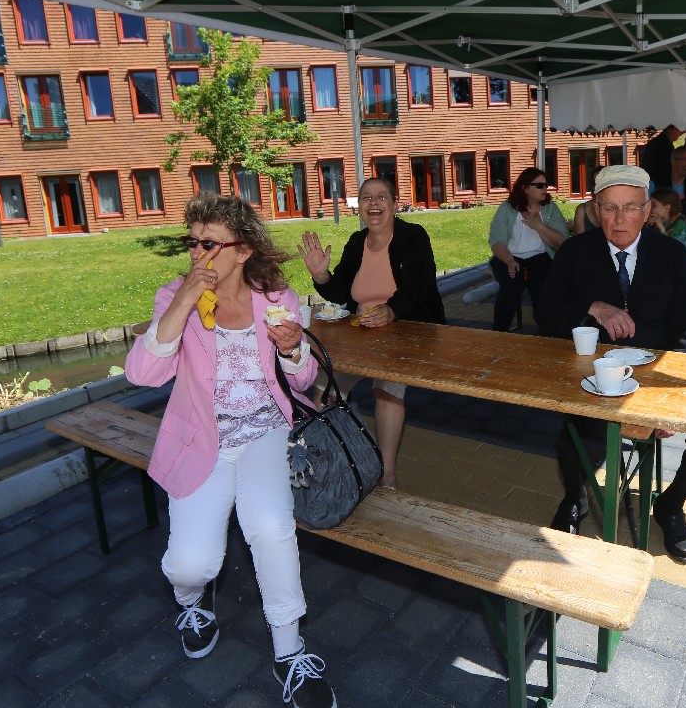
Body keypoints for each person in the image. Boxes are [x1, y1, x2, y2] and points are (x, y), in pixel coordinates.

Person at [125, 193, 336, 707]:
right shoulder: (174, 296)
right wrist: (183, 299)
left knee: (270, 526)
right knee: (190, 565)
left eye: (211, 244)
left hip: (266, 432)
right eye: (193, 242)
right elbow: (142, 374)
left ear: (243, 251)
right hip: (203, 440)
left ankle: (289, 650)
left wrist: (292, 348)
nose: (198, 253)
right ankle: (191, 602)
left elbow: (303, 381)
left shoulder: (276, 296)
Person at [535, 165, 686, 565]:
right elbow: (547, 315)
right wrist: (592, 307)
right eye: (609, 208)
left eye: (630, 207)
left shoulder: (672, 256)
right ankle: (575, 498)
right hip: (595, 373)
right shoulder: (575, 252)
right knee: (578, 434)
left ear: (647, 211)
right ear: (595, 210)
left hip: (658, 373)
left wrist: (668, 400)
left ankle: (671, 504)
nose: (619, 219)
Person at [299, 177, 446, 489]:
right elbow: (341, 293)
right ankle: (336, 461)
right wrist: (321, 275)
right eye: (367, 197)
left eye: (382, 197)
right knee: (325, 387)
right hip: (360, 332)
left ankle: (387, 474)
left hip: (405, 330)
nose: (374, 202)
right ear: (360, 207)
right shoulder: (357, 242)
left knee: (387, 390)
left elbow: (419, 285)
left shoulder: (413, 237)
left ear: (395, 204)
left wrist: (391, 311)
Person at [487, 167, 569, 331]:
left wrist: (539, 226)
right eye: (539, 185)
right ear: (525, 188)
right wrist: (509, 261)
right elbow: (496, 241)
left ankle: (548, 335)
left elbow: (563, 243)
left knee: (543, 291)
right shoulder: (507, 208)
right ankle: (499, 334)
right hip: (509, 257)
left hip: (540, 256)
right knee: (511, 288)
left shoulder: (550, 208)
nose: (545, 189)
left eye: (546, 185)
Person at [571, 165, 604, 235]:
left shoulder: (619, 208)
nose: (597, 186)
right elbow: (579, 240)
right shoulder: (582, 210)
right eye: (594, 183)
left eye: (601, 181)